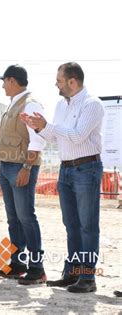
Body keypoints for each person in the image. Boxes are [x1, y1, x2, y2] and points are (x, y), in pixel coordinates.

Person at [21, 62, 104, 293]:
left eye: (58, 80)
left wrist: (49, 126)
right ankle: (73, 273)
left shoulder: (92, 104)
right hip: (66, 169)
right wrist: (38, 127)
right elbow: (56, 138)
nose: (55, 84)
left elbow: (77, 137)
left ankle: (88, 278)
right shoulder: (60, 104)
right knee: (71, 225)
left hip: (87, 169)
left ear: (72, 81)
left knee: (88, 226)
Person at [0, 65, 46, 285]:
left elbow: (38, 139)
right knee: (14, 219)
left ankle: (37, 268)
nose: (2, 86)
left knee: (26, 218)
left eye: (4, 81)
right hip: (7, 166)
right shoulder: (14, 103)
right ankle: (18, 263)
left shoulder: (30, 103)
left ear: (13, 81)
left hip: (20, 167)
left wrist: (27, 168)